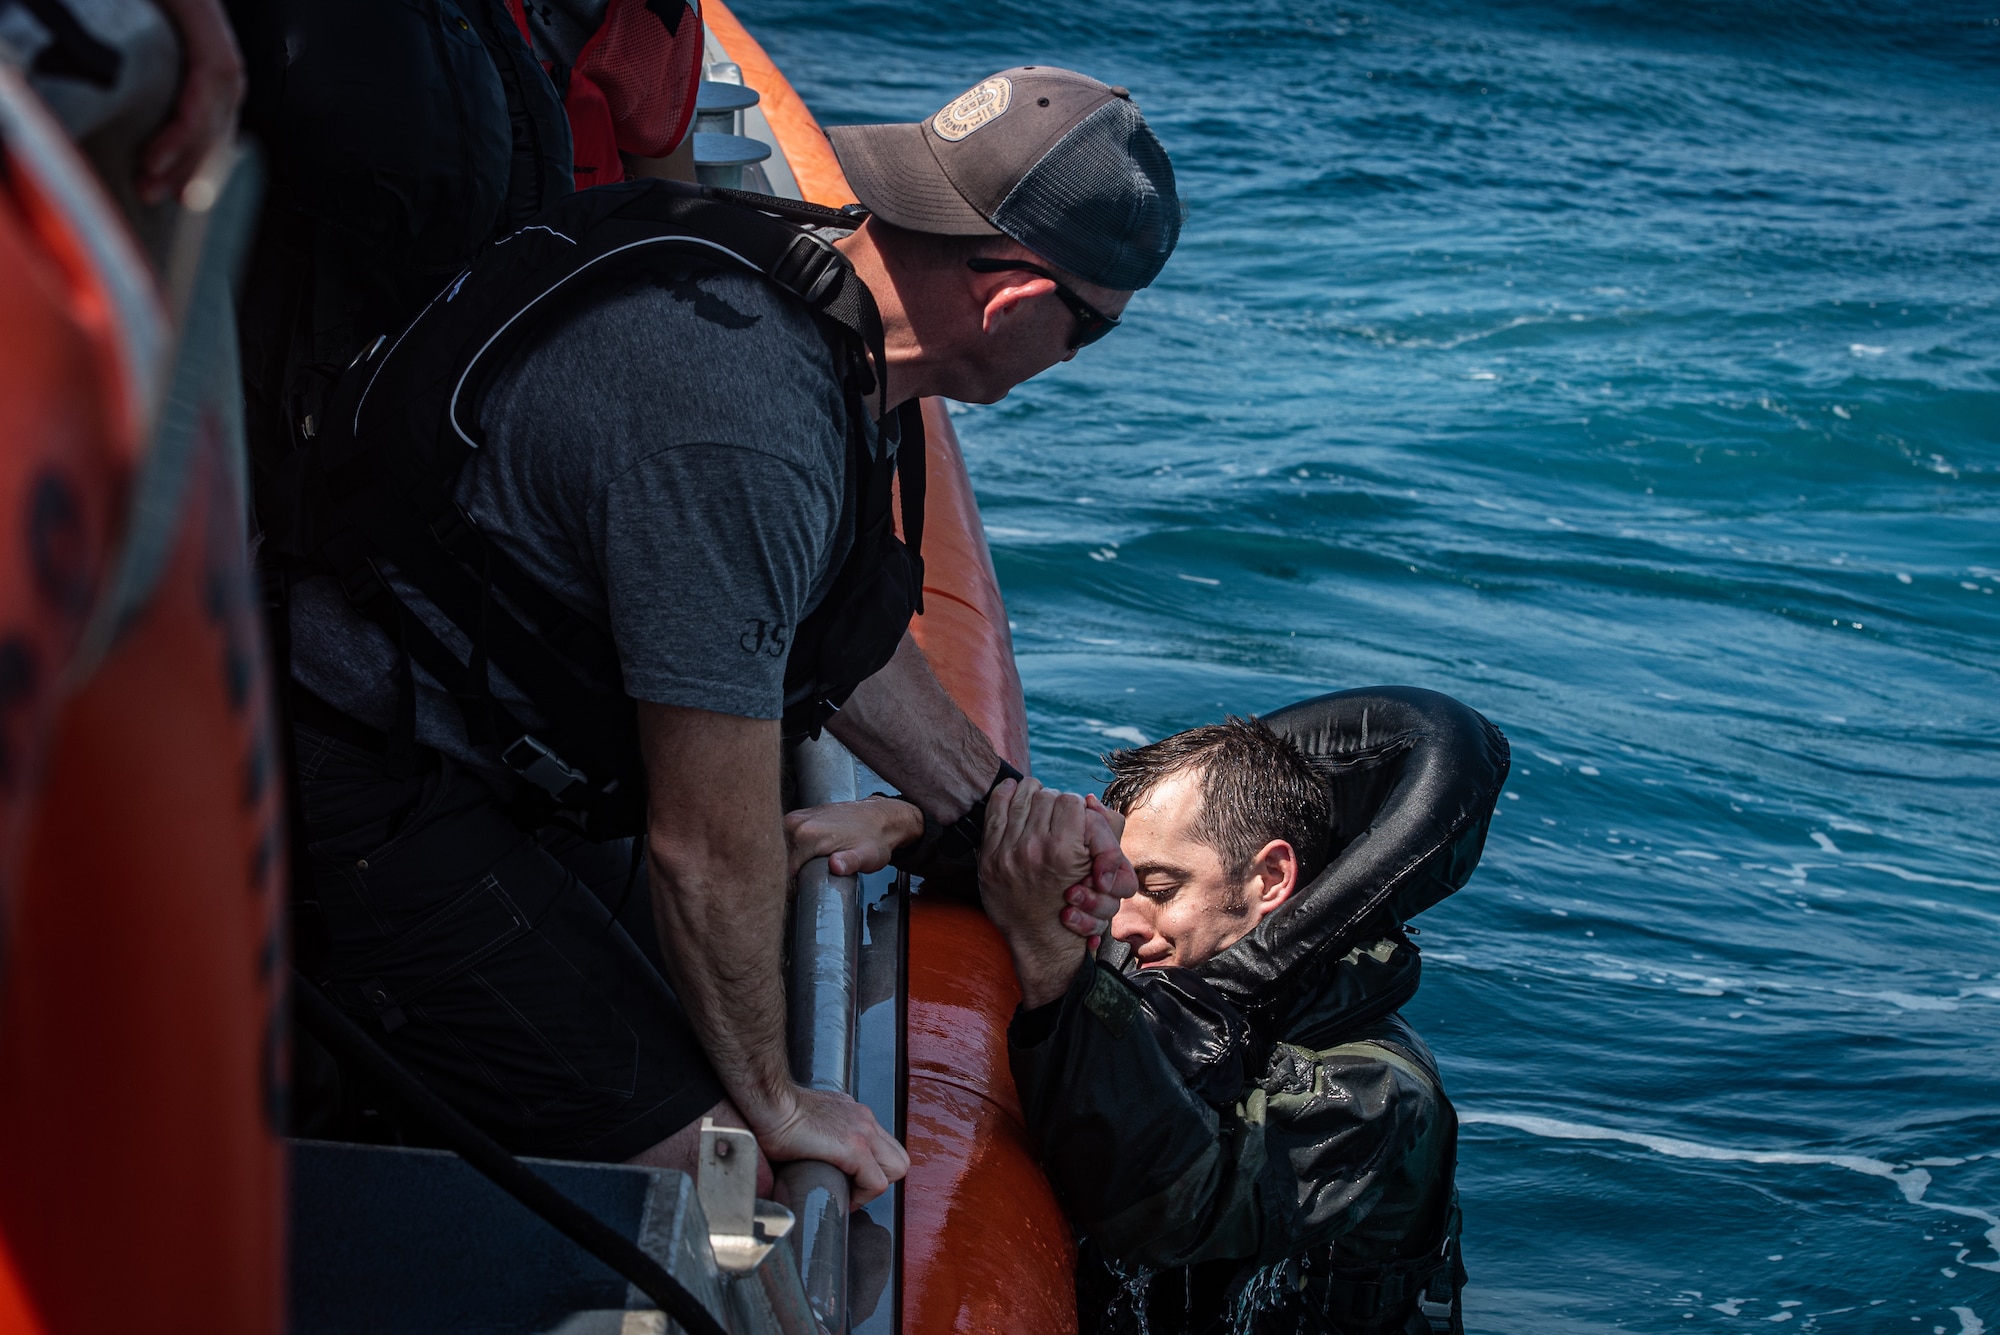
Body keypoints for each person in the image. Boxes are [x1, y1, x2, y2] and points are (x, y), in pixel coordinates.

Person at [276, 66, 1177, 1203]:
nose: (1073, 356)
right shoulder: (742, 439)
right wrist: (776, 1099)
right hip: (363, 784)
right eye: (1089, 332)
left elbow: (808, 624)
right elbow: (705, 845)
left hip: (442, 729)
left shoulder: (782, 284)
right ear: (1014, 306)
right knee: (734, 1182)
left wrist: (989, 810)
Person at [791, 690, 1509, 1331]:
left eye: (1160, 887)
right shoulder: (1181, 949)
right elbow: (1053, 879)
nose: (1126, 926)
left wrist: (1050, 956)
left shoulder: (1376, 1092)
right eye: (1122, 886)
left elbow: (1178, 1210)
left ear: (1270, 877)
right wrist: (909, 824)